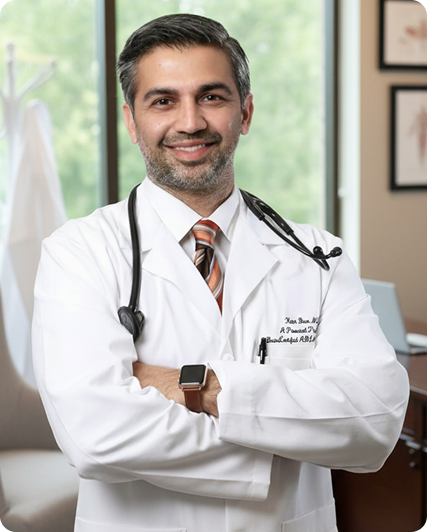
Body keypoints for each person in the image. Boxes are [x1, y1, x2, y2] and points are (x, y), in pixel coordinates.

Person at [32, 13, 409, 532]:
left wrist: (200, 387)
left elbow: (374, 421)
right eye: (163, 100)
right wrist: (287, 436)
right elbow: (95, 437)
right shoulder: (78, 253)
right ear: (131, 120)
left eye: (212, 96)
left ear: (245, 112)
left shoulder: (318, 255)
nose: (190, 122)